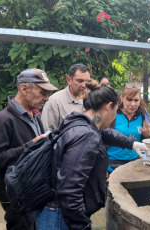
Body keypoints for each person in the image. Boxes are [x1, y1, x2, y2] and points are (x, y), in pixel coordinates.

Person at [35, 81, 129, 229]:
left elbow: (103, 131)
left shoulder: (79, 121)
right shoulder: (86, 136)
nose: (114, 117)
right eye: (116, 111)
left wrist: (132, 143)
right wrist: (82, 225)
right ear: (108, 106)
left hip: (60, 211)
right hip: (62, 217)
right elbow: (69, 190)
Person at [0, 68, 58, 230]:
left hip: (34, 195)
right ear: (24, 89)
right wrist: (31, 145)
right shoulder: (3, 119)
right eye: (43, 93)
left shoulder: (35, 117)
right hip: (15, 198)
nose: (46, 98)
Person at [107, 83, 150, 173]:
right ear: (122, 98)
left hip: (134, 163)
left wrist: (148, 135)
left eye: (136, 100)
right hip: (111, 165)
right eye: (129, 99)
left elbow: (146, 141)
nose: (133, 104)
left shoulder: (142, 115)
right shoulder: (113, 114)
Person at [41, 63, 91, 131]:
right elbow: (46, 133)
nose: (84, 85)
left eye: (87, 81)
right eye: (80, 81)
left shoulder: (92, 99)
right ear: (69, 80)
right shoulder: (55, 101)